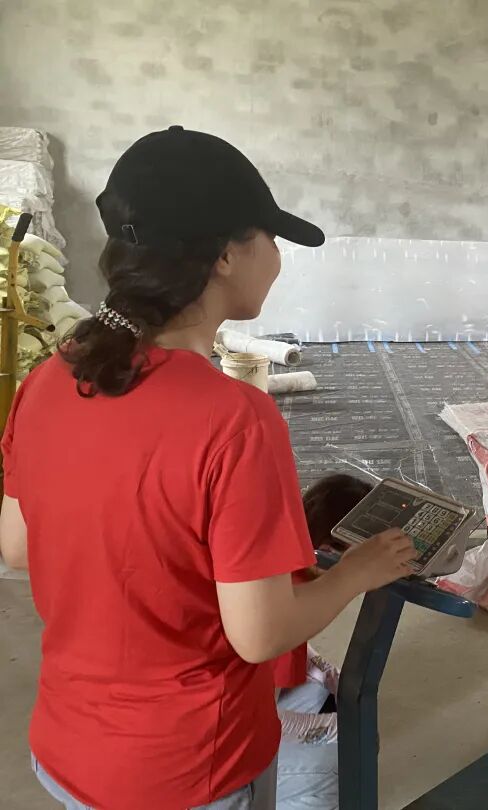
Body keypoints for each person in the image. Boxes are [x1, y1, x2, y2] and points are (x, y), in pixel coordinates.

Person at [0, 126, 417, 809]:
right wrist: (356, 572)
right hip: (190, 770)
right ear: (226, 254)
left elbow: (18, 548)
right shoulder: (235, 418)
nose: (277, 258)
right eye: (271, 238)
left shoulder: (50, 378)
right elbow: (261, 635)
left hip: (67, 750)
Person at [273, 473, 375, 810]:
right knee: (346, 757)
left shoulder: (285, 558)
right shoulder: (291, 604)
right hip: (218, 736)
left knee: (325, 691)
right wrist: (324, 729)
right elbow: (253, 712)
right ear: (330, 551)